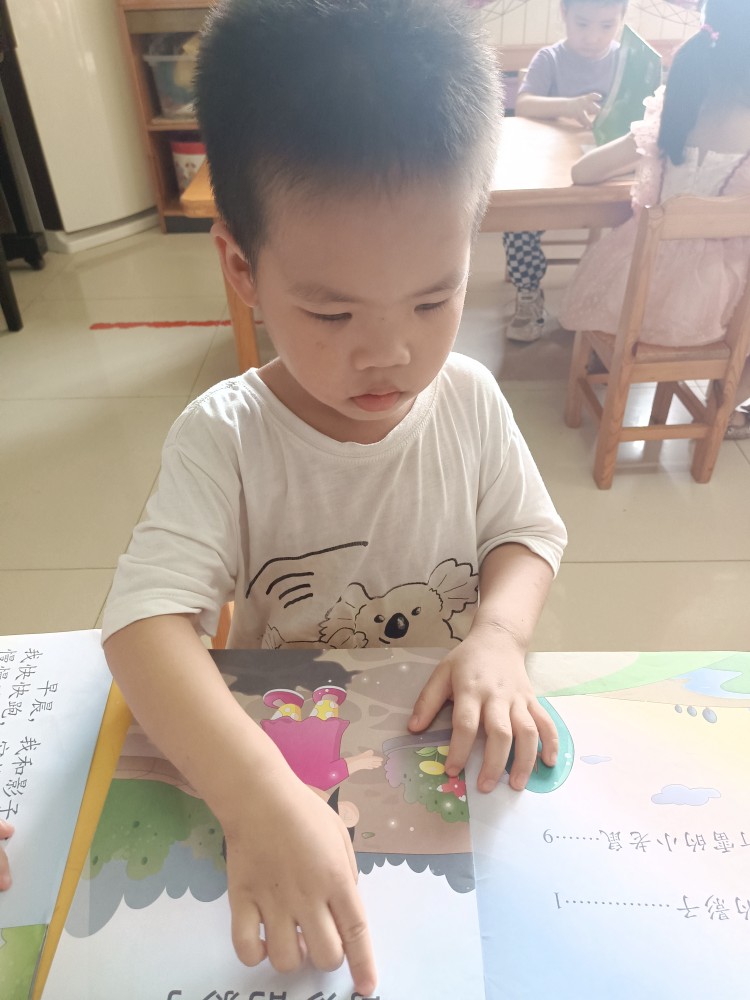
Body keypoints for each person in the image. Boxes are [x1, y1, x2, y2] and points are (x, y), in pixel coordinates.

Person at [99, 0, 567, 993]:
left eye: (433, 299)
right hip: (289, 763)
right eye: (331, 311)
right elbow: (143, 626)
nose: (390, 352)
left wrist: (497, 637)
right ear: (242, 268)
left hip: (439, 755)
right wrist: (254, 794)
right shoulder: (226, 437)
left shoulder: (469, 401)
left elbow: (526, 534)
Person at [560, 0, 750, 439]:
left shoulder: (675, 116)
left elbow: (583, 172)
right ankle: (724, 411)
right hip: (708, 313)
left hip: (631, 296)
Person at [504, 0, 628, 342]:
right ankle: (528, 292)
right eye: (582, 24)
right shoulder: (550, 58)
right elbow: (524, 104)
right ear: (564, 15)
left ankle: (612, 300)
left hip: (605, 172)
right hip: (551, 170)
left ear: (622, 19)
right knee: (519, 220)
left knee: (641, 215)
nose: (593, 36)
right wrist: (569, 105)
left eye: (606, 26)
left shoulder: (625, 60)